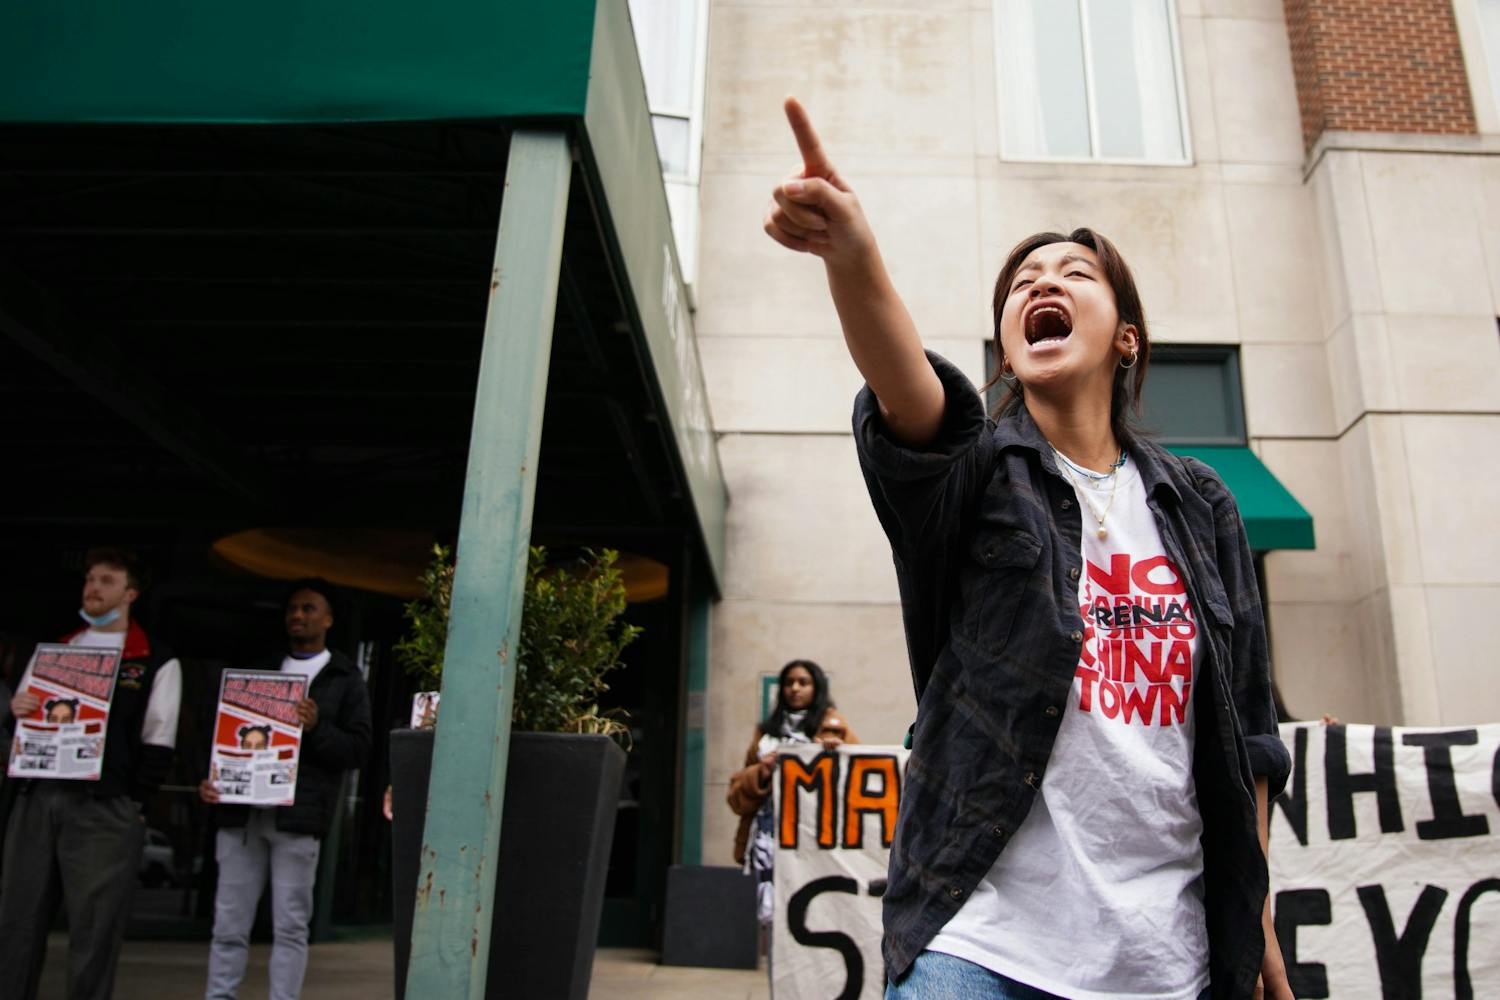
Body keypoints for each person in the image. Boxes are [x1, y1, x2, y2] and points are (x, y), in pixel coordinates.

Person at [763, 98, 1294, 1000]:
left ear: (1126, 336)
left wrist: (1260, 943)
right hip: (983, 946)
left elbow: (1248, 739)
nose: (1043, 284)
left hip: (1170, 963)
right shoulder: (974, 474)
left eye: (1075, 272)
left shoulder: (1203, 504)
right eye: (1021, 283)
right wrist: (851, 252)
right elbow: (904, 387)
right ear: (1008, 345)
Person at [0, 547, 183, 1000]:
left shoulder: (154, 660)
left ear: (130, 594)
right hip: (37, 797)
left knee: (95, 927)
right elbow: (19, 728)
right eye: (89, 580)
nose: (93, 588)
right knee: (17, 920)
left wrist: (135, 804)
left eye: (106, 581)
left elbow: (159, 739)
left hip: (105, 805)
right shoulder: (56, 650)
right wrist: (14, 711)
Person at [199, 578, 372, 1000]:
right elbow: (226, 736)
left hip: (298, 817)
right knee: (227, 923)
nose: (298, 615)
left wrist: (317, 729)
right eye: (293, 608)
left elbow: (358, 749)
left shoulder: (345, 677)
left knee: (291, 925)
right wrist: (214, 778)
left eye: (309, 608)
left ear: (328, 619)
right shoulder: (258, 671)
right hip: (241, 812)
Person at [727, 659, 857, 929]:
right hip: (769, 838)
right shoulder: (765, 734)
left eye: (803, 682)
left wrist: (839, 753)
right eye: (789, 683)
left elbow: (859, 781)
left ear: (816, 687)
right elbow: (737, 797)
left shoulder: (834, 727)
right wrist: (762, 772)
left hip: (815, 837)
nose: (795, 688)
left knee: (813, 916)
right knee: (774, 921)